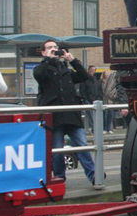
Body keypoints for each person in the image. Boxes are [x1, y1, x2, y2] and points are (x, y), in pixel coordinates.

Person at [33, 40, 97, 185]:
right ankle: (59, 178)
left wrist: (72, 60)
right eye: (49, 48)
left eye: (55, 47)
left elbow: (83, 76)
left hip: (71, 115)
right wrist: (48, 59)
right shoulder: (42, 68)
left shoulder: (66, 70)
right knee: (57, 150)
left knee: (82, 145)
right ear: (43, 52)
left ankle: (94, 175)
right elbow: (39, 75)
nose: (54, 50)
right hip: (54, 116)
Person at [78, 65, 102, 133]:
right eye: (91, 69)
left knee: (96, 114)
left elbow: (97, 90)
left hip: (95, 99)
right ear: (88, 70)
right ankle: (94, 128)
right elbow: (82, 90)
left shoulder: (95, 79)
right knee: (91, 115)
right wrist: (85, 99)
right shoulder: (85, 79)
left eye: (94, 70)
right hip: (87, 99)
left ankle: (96, 128)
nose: (92, 71)